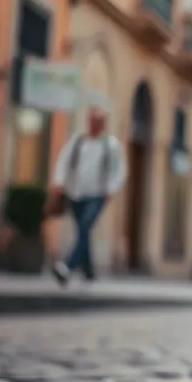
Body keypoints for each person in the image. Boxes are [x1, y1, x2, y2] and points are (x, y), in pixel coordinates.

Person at [49, 107, 126, 286]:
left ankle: (66, 267)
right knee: (84, 231)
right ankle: (89, 271)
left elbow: (120, 170)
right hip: (75, 193)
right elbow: (63, 160)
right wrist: (59, 182)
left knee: (85, 226)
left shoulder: (111, 145)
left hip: (97, 194)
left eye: (98, 121)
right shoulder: (78, 141)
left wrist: (111, 188)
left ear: (103, 124)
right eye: (92, 120)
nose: (93, 124)